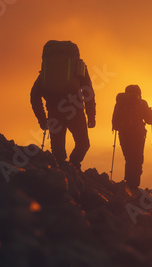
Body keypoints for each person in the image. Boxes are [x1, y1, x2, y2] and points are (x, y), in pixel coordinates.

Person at [31, 40, 96, 170]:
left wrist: (43, 120)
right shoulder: (78, 66)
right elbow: (88, 92)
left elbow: (34, 95)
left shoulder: (46, 71)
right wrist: (91, 116)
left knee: (57, 151)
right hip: (75, 110)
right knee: (83, 144)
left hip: (54, 111)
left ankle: (60, 175)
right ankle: (73, 167)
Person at [112, 85, 152, 190]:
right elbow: (150, 120)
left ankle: (128, 182)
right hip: (138, 135)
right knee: (137, 158)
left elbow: (115, 122)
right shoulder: (142, 103)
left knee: (129, 158)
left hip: (123, 134)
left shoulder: (120, 103)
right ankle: (134, 184)